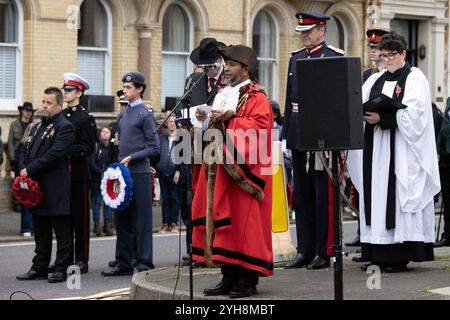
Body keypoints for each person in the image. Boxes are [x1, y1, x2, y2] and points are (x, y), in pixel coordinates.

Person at [347, 32, 440, 272]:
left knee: (396, 198)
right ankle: (376, 251)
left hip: (401, 151)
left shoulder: (414, 77)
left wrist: (384, 117)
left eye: (391, 55)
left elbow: (417, 114)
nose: (386, 60)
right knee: (375, 196)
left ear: (403, 54)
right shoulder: (374, 80)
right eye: (383, 56)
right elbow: (357, 102)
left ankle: (398, 255)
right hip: (375, 149)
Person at [191, 45, 273, 298]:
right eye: (225, 64)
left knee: (245, 226)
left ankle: (247, 281)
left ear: (245, 69)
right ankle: (228, 277)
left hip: (243, 173)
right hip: (219, 169)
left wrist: (226, 118)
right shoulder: (222, 93)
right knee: (223, 224)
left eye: (231, 65)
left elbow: (260, 130)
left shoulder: (257, 97)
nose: (225, 68)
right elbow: (211, 127)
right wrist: (202, 120)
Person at [283, 12, 344, 270]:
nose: (304, 35)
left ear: (322, 29)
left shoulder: (334, 57)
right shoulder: (296, 58)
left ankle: (324, 249)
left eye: (309, 30)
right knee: (302, 195)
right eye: (302, 31)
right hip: (299, 130)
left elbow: (339, 102)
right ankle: (305, 248)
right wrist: (286, 132)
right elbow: (289, 100)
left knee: (323, 196)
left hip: (323, 134)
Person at [102, 71, 160, 276]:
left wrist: (132, 156)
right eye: (124, 87)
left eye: (128, 87)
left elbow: (154, 148)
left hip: (139, 173)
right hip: (123, 172)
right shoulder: (124, 113)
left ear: (140, 89)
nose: (125, 90)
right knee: (122, 218)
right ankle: (124, 262)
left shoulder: (145, 114)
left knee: (142, 220)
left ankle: (144, 263)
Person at [16, 87, 75, 283]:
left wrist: (29, 169)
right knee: (40, 230)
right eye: (43, 102)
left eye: (48, 103)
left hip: (56, 187)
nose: (44, 106)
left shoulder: (65, 126)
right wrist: (23, 167)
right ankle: (39, 266)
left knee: (61, 230)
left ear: (59, 105)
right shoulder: (36, 127)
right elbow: (24, 150)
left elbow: (55, 154)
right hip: (37, 188)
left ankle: (61, 267)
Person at [346, 28, 389, 250]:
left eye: (377, 48)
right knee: (361, 186)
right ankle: (363, 230)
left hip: (381, 134)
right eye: (371, 48)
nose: (373, 52)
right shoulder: (365, 75)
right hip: (364, 135)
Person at [59, 73, 97, 274]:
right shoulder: (62, 116)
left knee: (80, 220)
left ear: (79, 92)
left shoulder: (86, 118)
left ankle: (82, 259)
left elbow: (88, 147)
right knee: (64, 219)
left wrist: (67, 151)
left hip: (78, 175)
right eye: (64, 90)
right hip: (62, 175)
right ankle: (65, 258)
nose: (65, 93)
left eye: (69, 90)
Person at [8, 102, 36, 213]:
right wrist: (11, 157)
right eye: (26, 110)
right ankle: (17, 204)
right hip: (16, 158)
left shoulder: (34, 125)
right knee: (17, 180)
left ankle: (26, 202)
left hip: (28, 159)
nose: (28, 113)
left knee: (27, 181)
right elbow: (10, 141)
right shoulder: (14, 124)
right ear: (22, 111)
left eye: (30, 111)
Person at [156, 115, 181, 233]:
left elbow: (183, 155)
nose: (172, 123)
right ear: (166, 124)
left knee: (174, 198)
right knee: (165, 199)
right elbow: (156, 153)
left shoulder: (180, 138)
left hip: (174, 172)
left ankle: (174, 223)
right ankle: (165, 224)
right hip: (162, 171)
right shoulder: (161, 137)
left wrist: (178, 170)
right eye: (170, 121)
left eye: (174, 121)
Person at [89, 127, 114, 237]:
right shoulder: (95, 146)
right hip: (97, 179)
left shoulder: (113, 147)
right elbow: (91, 162)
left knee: (108, 202)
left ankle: (107, 225)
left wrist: (108, 172)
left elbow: (114, 160)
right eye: (103, 131)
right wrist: (101, 172)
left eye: (107, 132)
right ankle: (97, 225)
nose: (105, 133)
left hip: (109, 179)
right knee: (97, 202)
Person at [435, 99, 450, 247]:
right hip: (445, 156)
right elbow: (445, 128)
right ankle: (448, 234)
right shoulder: (449, 101)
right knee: (447, 197)